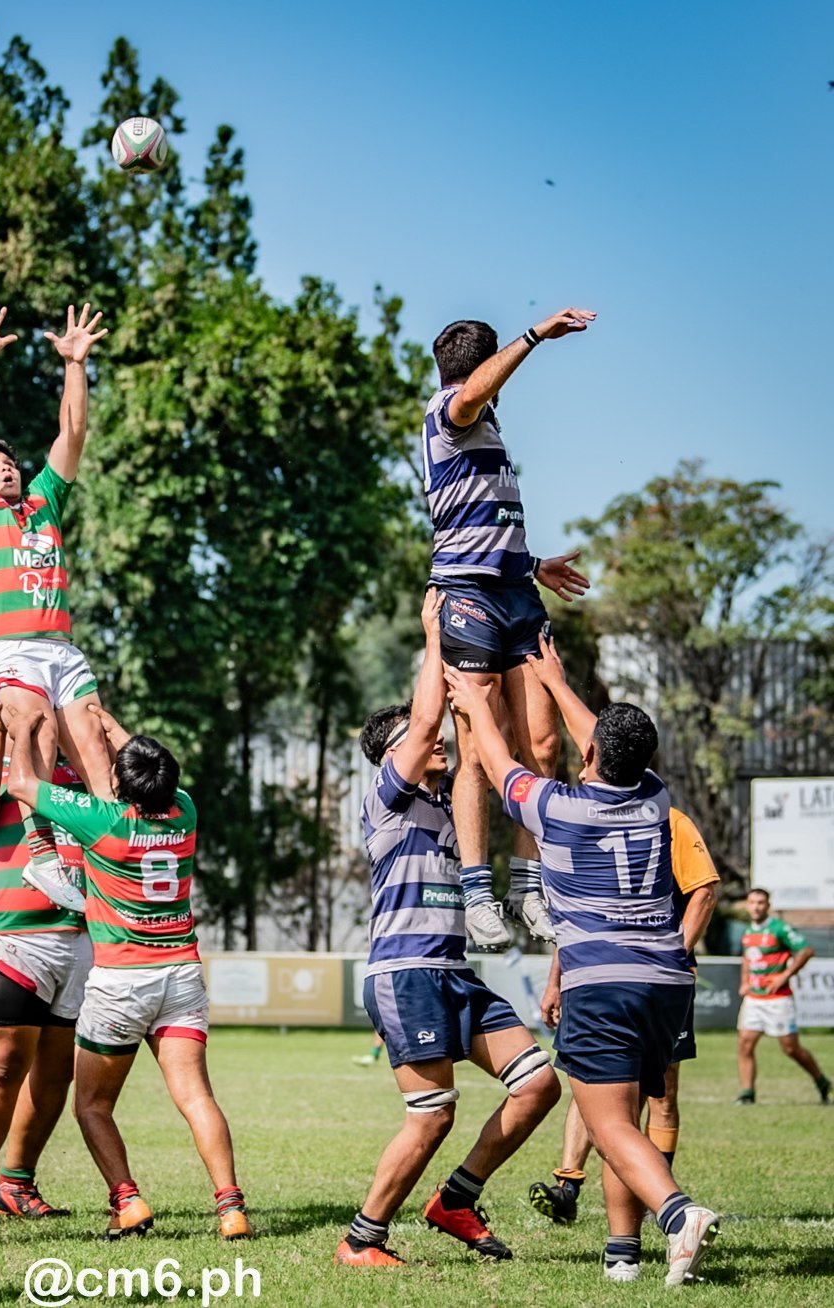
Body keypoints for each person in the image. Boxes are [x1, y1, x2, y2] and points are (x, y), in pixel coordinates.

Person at [446, 636, 720, 1286]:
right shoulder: (655, 800)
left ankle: (679, 1217)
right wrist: (555, 680)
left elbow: (494, 756)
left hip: (603, 984)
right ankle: (622, 1252)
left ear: (591, 753)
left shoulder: (556, 809)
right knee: (624, 1118)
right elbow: (604, 745)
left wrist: (475, 702)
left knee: (606, 1122)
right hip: (666, 979)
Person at [335, 590, 560, 1270]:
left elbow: (498, 750)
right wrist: (437, 636)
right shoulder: (388, 798)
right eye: (414, 735)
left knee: (538, 1086)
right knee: (432, 1114)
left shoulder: (449, 799)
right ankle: (361, 1241)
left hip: (453, 975)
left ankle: (455, 1200)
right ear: (389, 755)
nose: (428, 737)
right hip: (404, 974)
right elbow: (432, 712)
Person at [2, 703, 251, 1242]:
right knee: (196, 1097)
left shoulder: (104, 820)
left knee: (91, 1105)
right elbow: (149, 772)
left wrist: (21, 728)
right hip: (181, 977)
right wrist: (112, 728)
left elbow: (21, 782)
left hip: (121, 983)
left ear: (120, 782)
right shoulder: (184, 809)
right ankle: (231, 1209)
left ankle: (128, 1201)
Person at [422, 309, 594, 948]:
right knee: (474, 745)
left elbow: (486, 523)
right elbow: (471, 393)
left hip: (517, 591)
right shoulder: (450, 410)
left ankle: (528, 888)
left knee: (545, 748)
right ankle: (477, 895)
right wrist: (536, 337)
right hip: (467, 595)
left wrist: (533, 562)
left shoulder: (487, 428)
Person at [0, 297, 111, 915]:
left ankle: (110, 856)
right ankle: (42, 851)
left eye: (8, 461)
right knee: (34, 720)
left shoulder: (44, 499)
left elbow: (73, 433)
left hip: (60, 648)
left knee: (95, 750)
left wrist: (74, 363)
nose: (3, 467)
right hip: (6, 648)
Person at [529, 805, 720, 1222]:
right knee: (590, 1078)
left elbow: (704, 891)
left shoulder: (671, 821)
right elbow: (577, 914)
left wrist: (671, 956)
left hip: (657, 982)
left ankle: (657, 1195)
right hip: (594, 977)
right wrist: (554, 981)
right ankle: (567, 1186)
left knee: (661, 1091)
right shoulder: (585, 821)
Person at [0, 693, 91, 1223]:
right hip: (12, 939)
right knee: (2, 1069)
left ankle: (16, 1184)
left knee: (56, 1074)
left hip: (77, 940)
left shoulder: (73, 776)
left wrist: (89, 721)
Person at [735, 887, 831, 1105]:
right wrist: (744, 981)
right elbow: (747, 959)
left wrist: (783, 976)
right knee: (745, 1044)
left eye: (761, 902)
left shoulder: (780, 929)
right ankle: (747, 1093)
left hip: (778, 999)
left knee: (790, 1048)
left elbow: (806, 951)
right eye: (752, 902)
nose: (756, 906)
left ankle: (821, 1080)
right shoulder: (748, 931)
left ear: (768, 906)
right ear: (747, 905)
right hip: (754, 998)